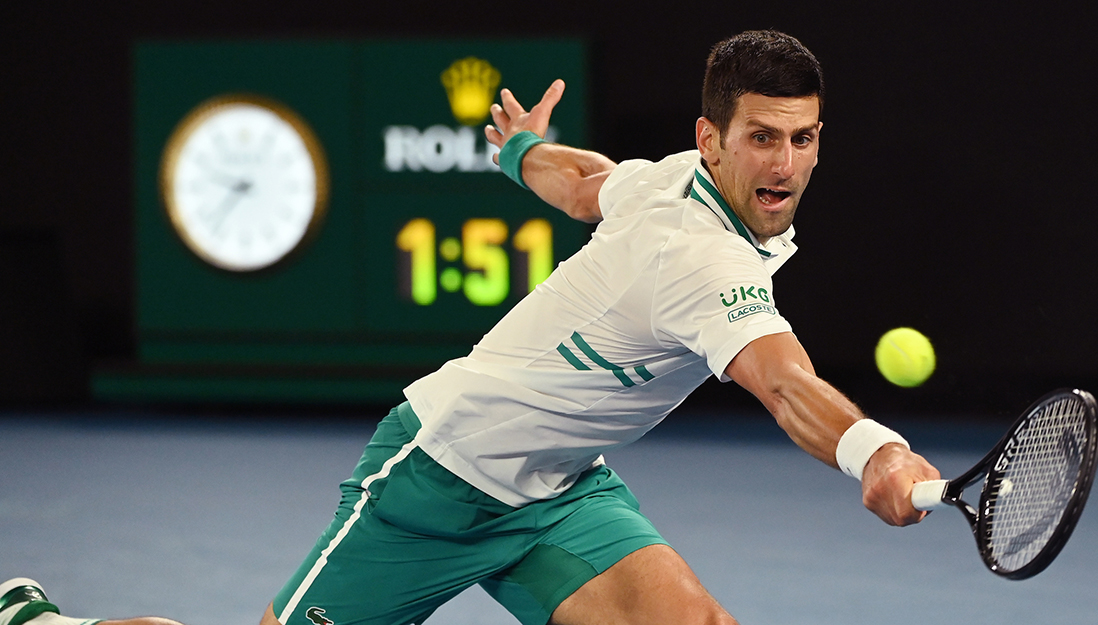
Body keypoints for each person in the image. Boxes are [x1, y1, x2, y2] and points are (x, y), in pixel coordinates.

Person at [1, 29, 939, 625]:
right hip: (436, 476)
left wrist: (520, 148)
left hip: (559, 491)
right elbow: (783, 382)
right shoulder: (704, 257)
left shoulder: (668, 179)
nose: (785, 162)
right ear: (712, 138)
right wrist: (877, 453)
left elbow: (580, 184)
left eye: (804, 137)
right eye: (762, 137)